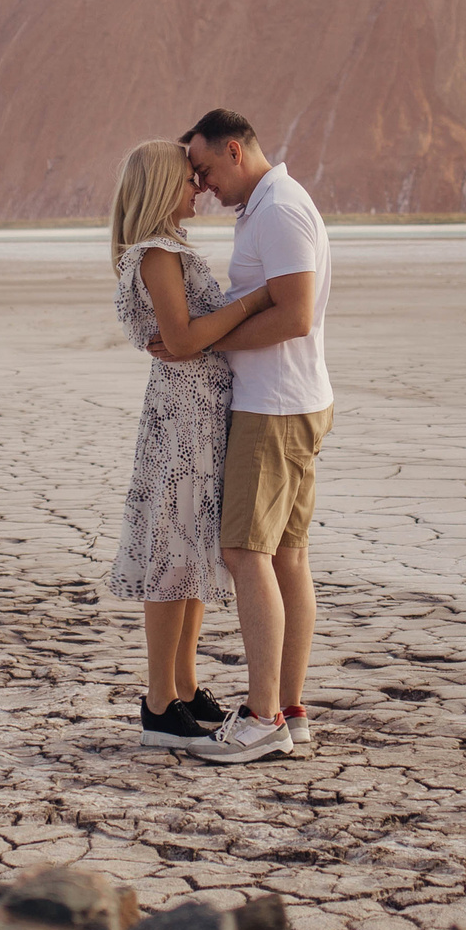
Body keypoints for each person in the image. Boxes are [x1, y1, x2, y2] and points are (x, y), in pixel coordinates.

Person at [153, 109, 333, 766]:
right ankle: (289, 710)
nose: (201, 183)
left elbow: (295, 314)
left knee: (244, 550)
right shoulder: (267, 207)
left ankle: (262, 718)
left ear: (235, 150)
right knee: (285, 556)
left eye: (203, 167)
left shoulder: (280, 208)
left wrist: (211, 339)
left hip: (275, 407)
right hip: (290, 401)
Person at [107, 138, 277, 749]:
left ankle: (183, 687)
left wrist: (205, 332)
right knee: (172, 556)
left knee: (194, 555)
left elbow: (189, 337)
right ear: (158, 188)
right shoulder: (156, 254)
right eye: (187, 178)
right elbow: (181, 339)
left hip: (200, 415)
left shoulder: (171, 251)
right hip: (183, 421)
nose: (198, 186)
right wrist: (257, 299)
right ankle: (159, 702)